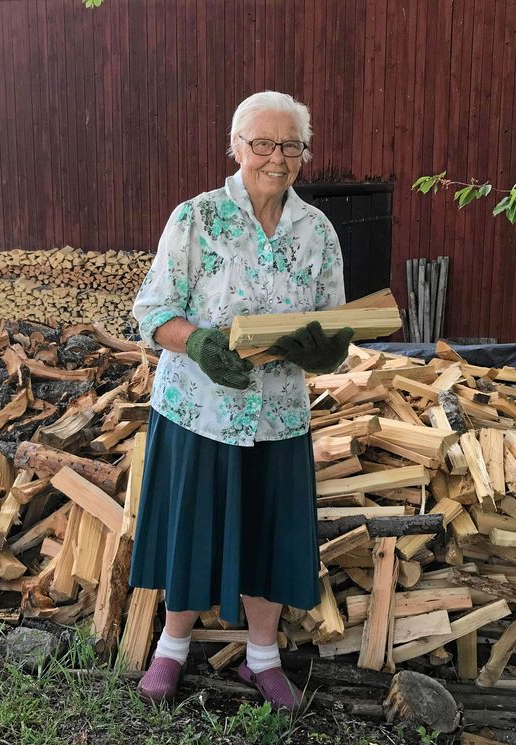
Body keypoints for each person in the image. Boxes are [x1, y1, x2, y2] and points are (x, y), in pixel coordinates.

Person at [128, 91, 352, 712]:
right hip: (199, 409)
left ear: (304, 154)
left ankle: (263, 659)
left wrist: (324, 351)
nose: (275, 158)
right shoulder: (196, 218)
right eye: (262, 143)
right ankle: (171, 650)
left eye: (290, 145)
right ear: (235, 148)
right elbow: (150, 312)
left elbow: (334, 327)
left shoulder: (318, 231)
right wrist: (197, 342)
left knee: (265, 532)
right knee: (192, 529)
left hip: (278, 414)